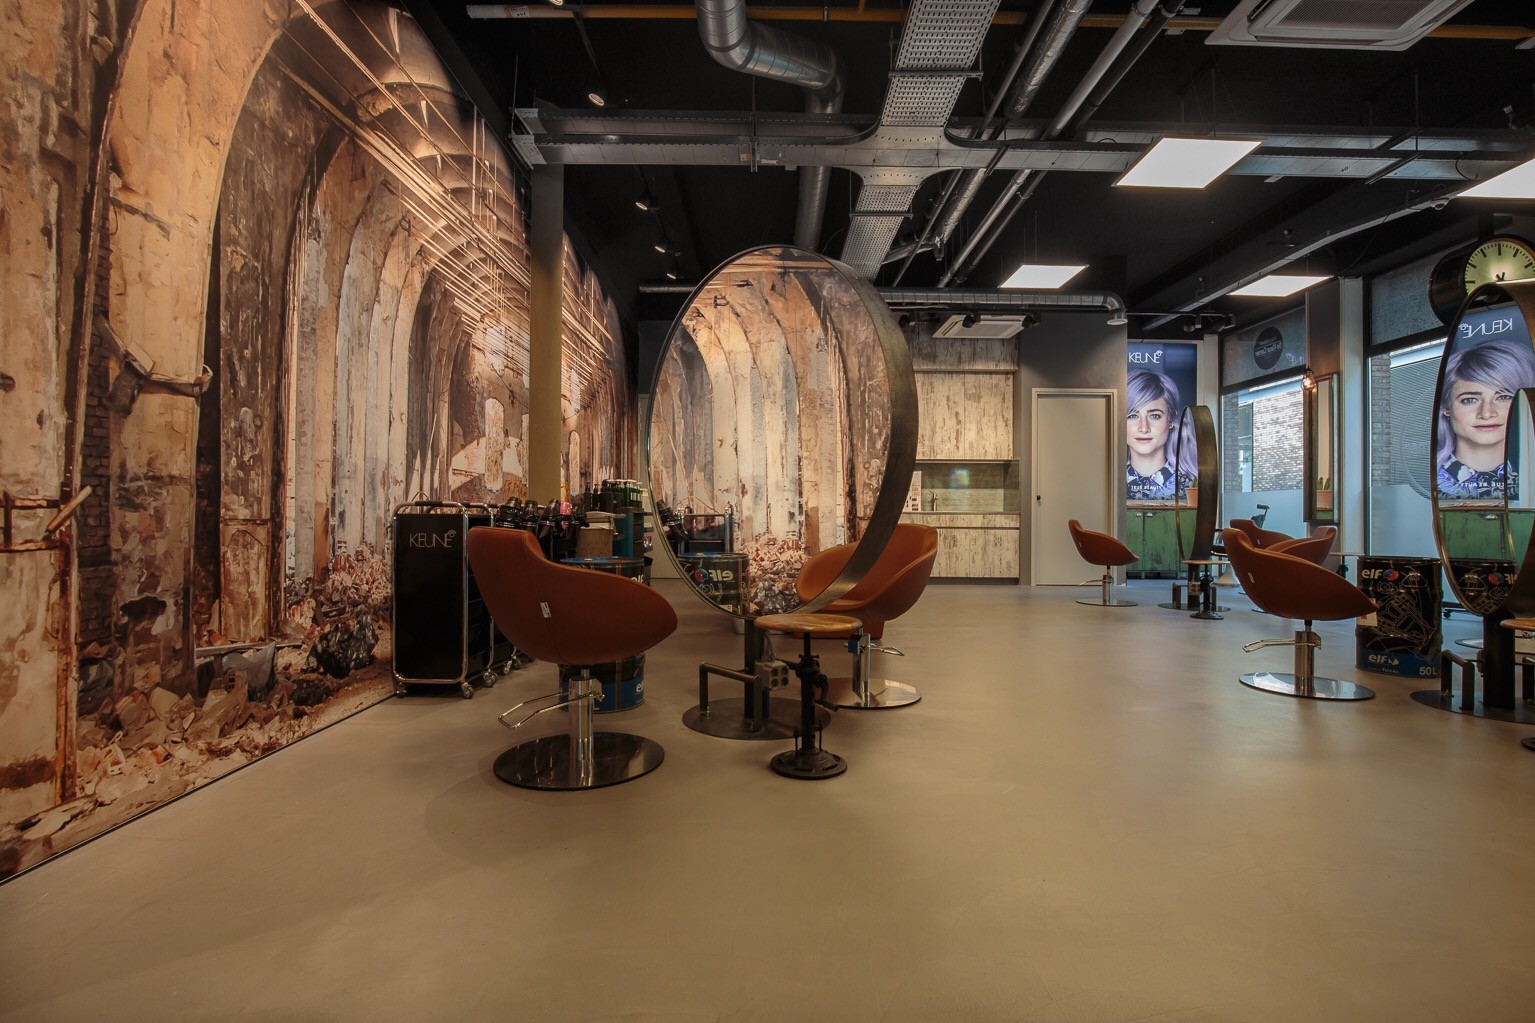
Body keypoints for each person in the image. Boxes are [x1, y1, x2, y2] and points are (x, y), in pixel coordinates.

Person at [1436, 338, 1535, 501]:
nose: (1487, 413)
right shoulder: (1430, 483)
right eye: (1470, 400)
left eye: (1503, 397)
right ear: (1447, 408)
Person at [1126, 369, 1197, 502]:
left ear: (1171, 420)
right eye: (1132, 416)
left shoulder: (1193, 484)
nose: (1144, 428)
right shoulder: (1104, 482)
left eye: (1154, 416)